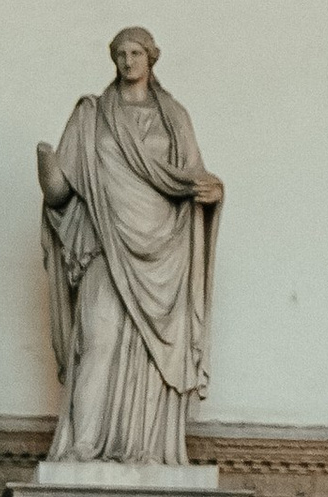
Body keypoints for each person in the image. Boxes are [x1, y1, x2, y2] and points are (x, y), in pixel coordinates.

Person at [38, 29, 222, 467]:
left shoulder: (173, 117)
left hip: (164, 256)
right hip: (106, 244)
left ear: (151, 58)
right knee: (98, 340)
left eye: (135, 52)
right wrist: (47, 168)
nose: (127, 61)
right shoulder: (91, 116)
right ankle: (83, 446)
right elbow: (62, 192)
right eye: (119, 54)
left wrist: (212, 191)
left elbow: (193, 175)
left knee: (152, 353)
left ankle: (149, 449)